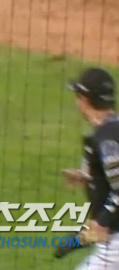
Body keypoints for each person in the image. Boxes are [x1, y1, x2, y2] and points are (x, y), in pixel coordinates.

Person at [63, 67, 119, 269]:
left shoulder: (108, 137)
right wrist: (87, 176)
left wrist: (101, 222)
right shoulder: (110, 129)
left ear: (85, 99)